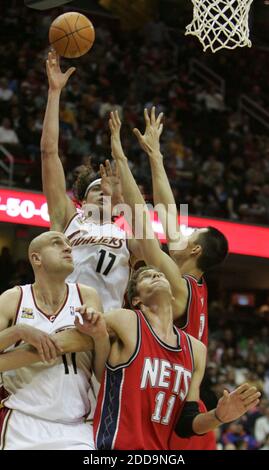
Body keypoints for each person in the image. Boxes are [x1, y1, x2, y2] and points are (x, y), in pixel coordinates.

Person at [110, 108, 228, 449]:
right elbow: (168, 211)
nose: (181, 231)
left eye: (189, 233)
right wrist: (155, 155)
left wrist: (120, 156)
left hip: (176, 408)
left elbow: (145, 228)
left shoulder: (178, 284)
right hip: (186, 400)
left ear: (192, 251)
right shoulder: (194, 280)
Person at [75, 266, 260, 450]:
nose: (156, 274)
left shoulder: (196, 349)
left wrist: (218, 416)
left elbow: (186, 424)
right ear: (136, 299)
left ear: (172, 295)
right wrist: (52, 342)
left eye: (160, 274)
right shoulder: (126, 320)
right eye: (147, 277)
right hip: (114, 446)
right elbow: (87, 345)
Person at [40, 50, 142, 311]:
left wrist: (121, 202)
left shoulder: (126, 234)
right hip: (63, 320)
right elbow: (49, 153)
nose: (104, 192)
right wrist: (54, 92)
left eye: (108, 190)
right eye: (98, 189)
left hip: (107, 329)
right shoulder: (68, 217)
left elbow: (149, 248)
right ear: (83, 199)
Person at [0, 231, 109, 450]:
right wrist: (19, 331)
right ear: (36, 258)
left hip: (75, 425)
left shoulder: (87, 296)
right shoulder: (13, 298)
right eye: (57, 243)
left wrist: (99, 335)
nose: (68, 248)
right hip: (21, 421)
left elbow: (101, 370)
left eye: (69, 244)